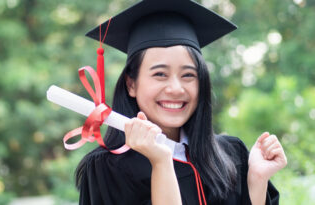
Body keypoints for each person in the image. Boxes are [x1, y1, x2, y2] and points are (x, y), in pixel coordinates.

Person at [74, 0, 287, 204]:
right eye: (160, 74)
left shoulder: (231, 154)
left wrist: (257, 180)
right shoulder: (108, 168)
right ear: (131, 84)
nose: (176, 89)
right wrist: (161, 161)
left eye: (188, 75)